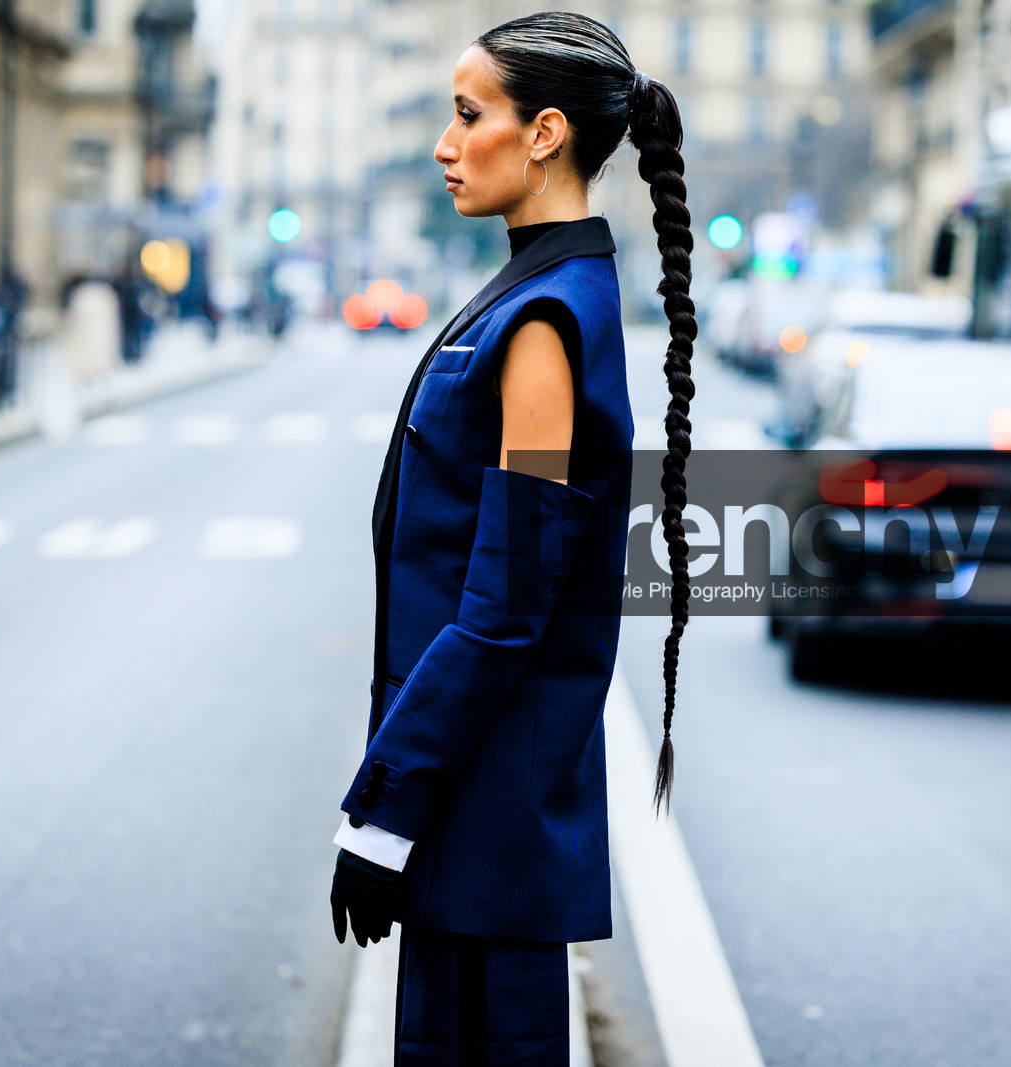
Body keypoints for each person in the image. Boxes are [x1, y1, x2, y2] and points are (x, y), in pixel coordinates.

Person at [328, 13, 697, 1064]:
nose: (446, 144)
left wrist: (380, 812)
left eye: (466, 115)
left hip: (491, 846)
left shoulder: (542, 325)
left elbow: (503, 610)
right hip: (481, 831)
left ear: (542, 134)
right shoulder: (539, 296)